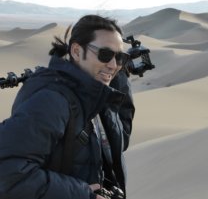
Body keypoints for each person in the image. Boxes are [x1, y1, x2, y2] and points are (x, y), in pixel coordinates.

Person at [0, 14, 135, 199]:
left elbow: (118, 143)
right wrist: (84, 195)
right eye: (105, 54)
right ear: (77, 51)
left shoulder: (95, 96)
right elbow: (8, 173)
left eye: (120, 58)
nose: (113, 64)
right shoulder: (51, 101)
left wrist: (120, 78)